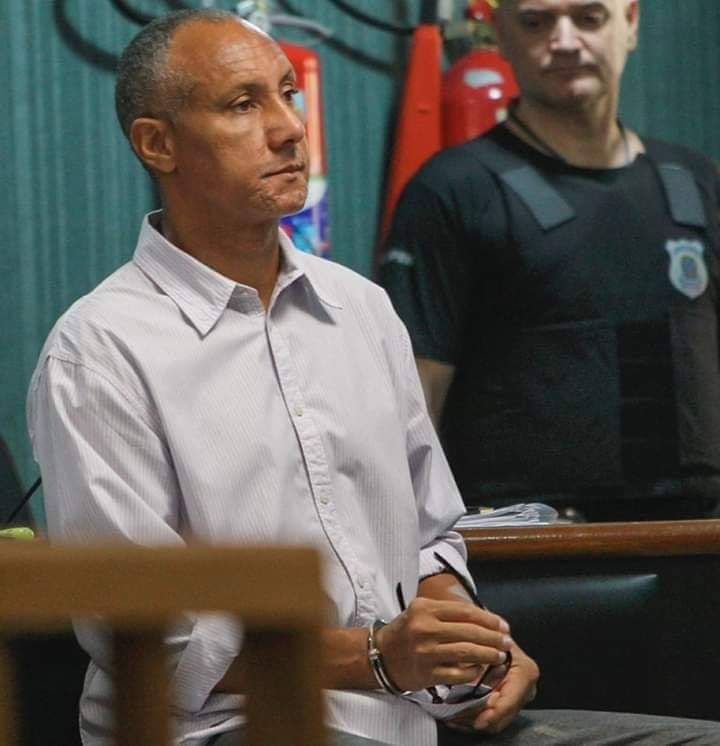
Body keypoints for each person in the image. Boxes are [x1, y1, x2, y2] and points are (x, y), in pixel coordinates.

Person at [27, 8, 720, 746]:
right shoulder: (100, 350)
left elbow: (430, 538)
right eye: (242, 105)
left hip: (411, 717)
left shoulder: (361, 309)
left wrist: (470, 644)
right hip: (227, 729)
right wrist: (378, 657)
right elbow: (147, 634)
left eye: (287, 94)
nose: (289, 128)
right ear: (157, 143)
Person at [379, 0, 720, 522]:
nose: (563, 41)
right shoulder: (453, 190)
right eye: (536, 22)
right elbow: (413, 398)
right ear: (501, 34)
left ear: (630, 22)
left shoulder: (694, 183)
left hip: (696, 534)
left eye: (589, 18)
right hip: (535, 546)